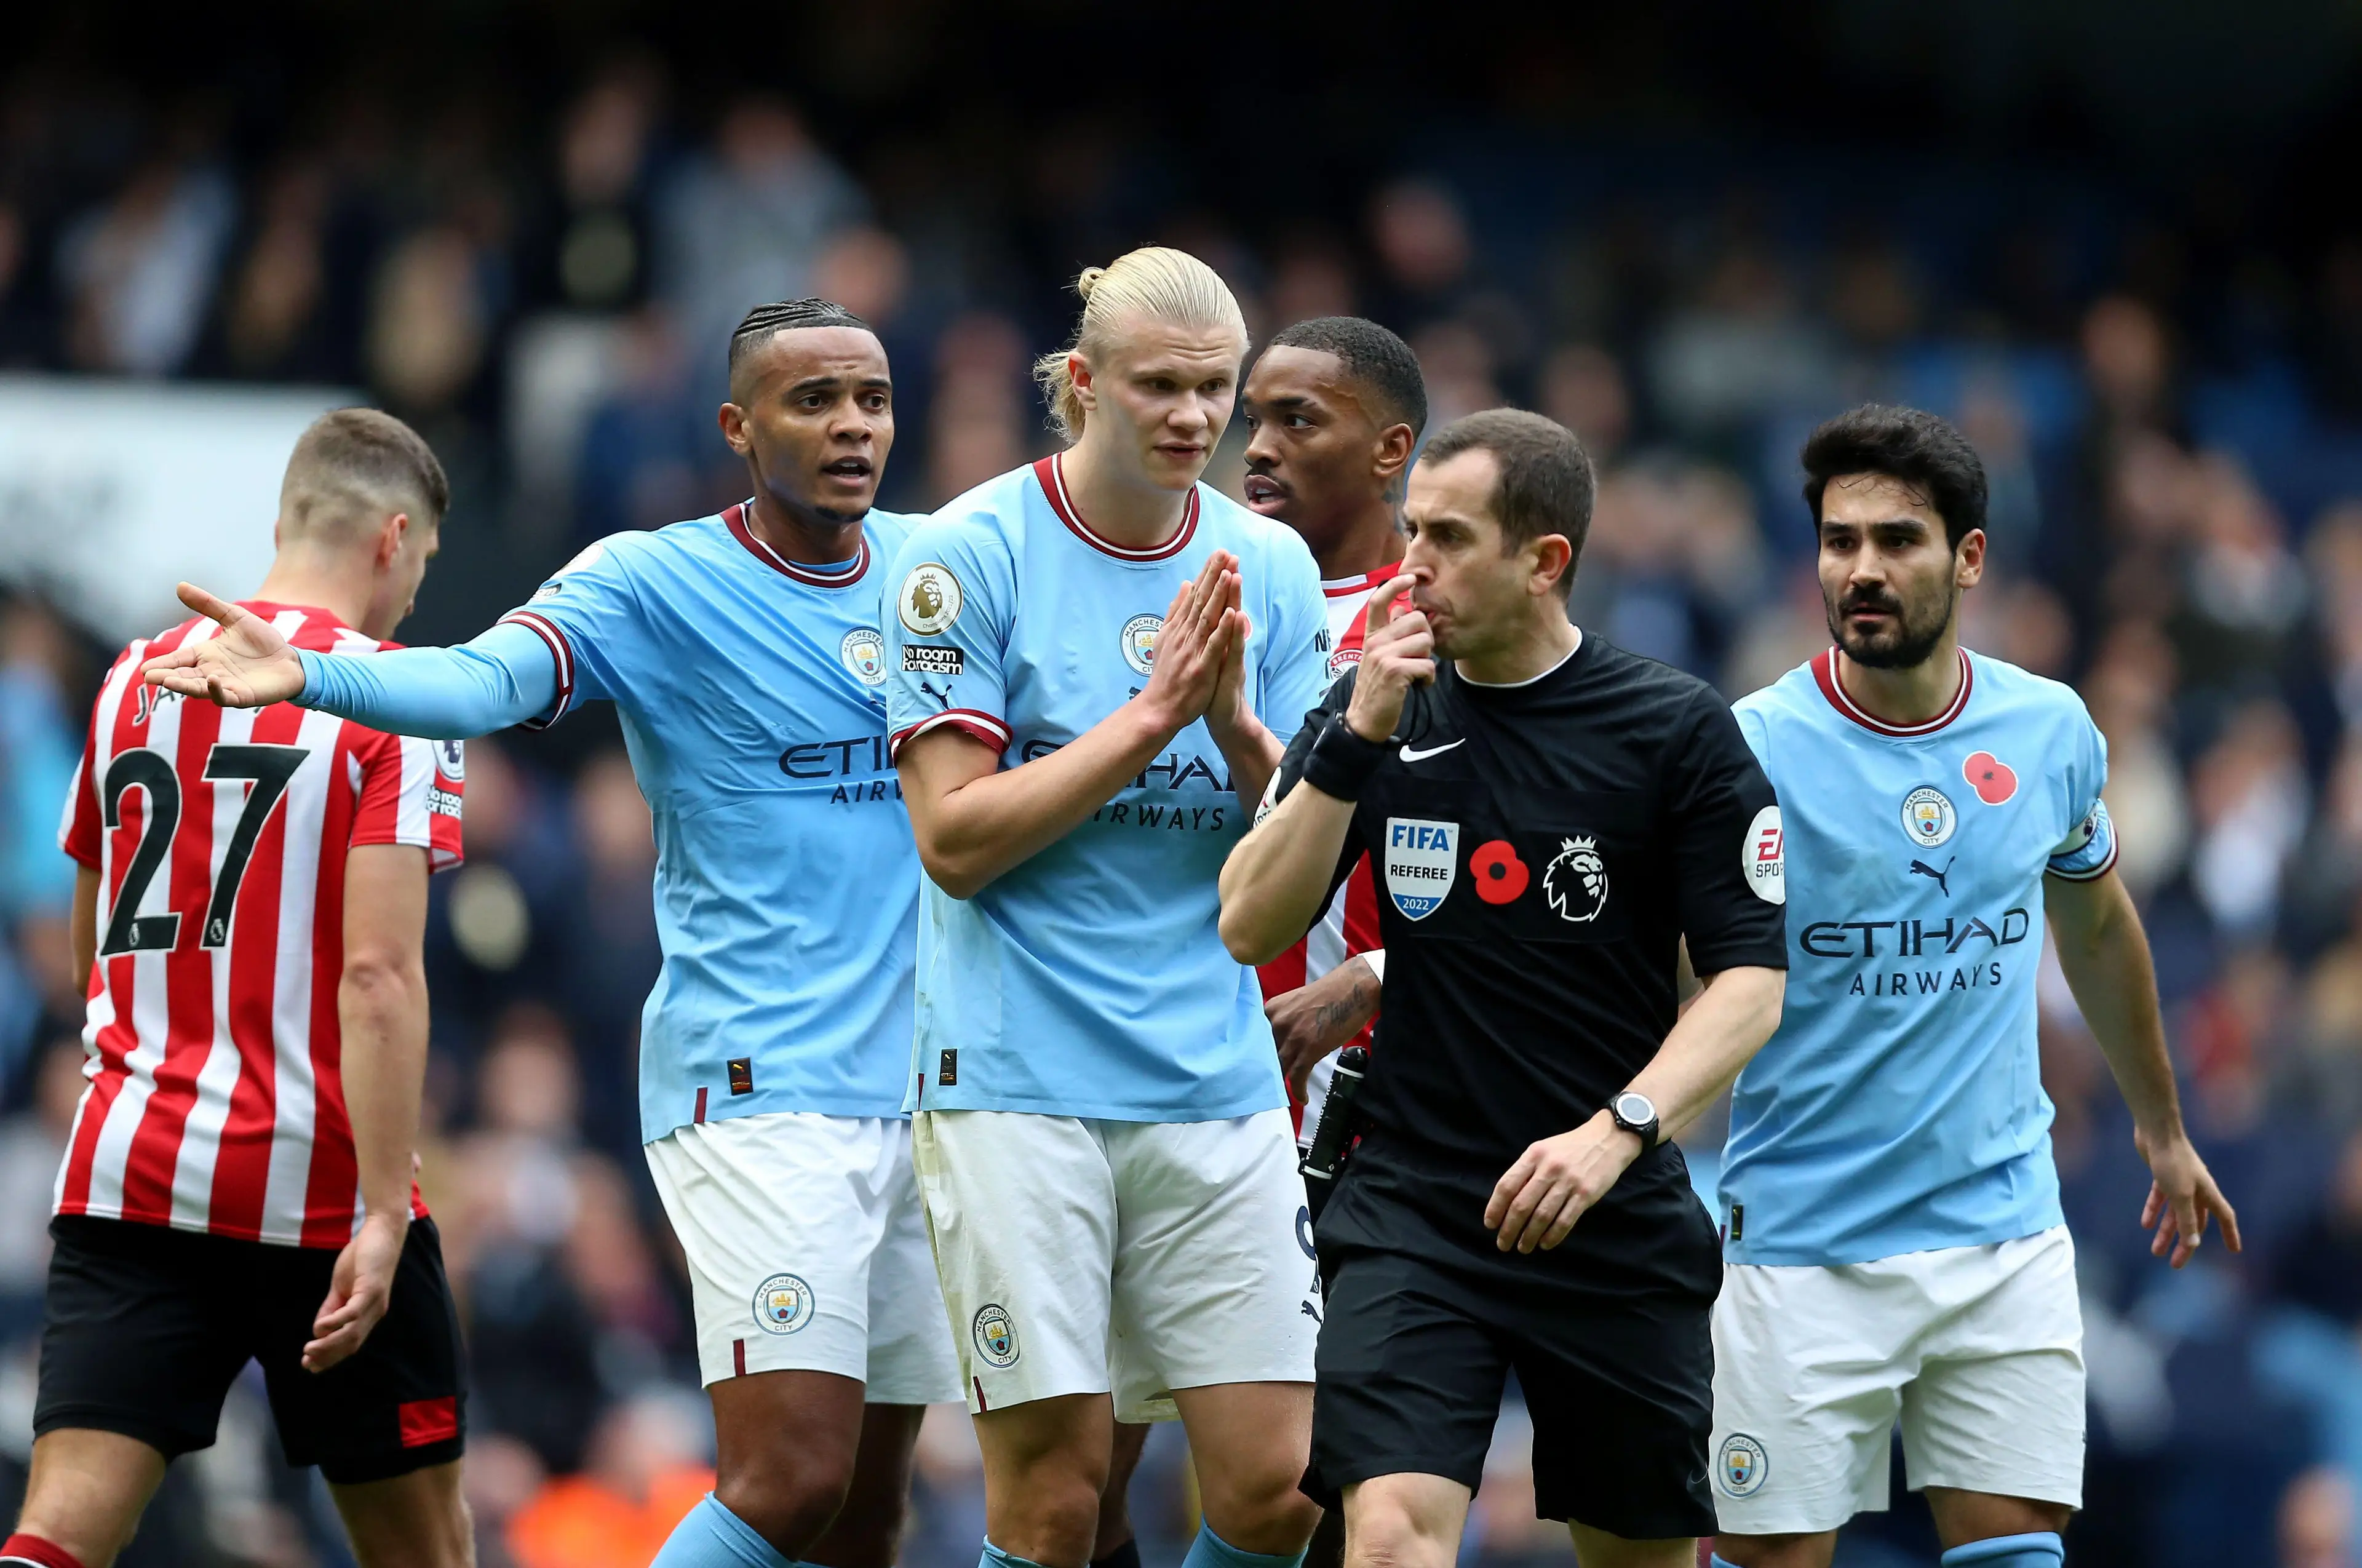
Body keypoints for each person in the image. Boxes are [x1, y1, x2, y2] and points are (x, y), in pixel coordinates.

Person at [138, 300, 961, 1568]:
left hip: (916, 1093)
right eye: (814, 401)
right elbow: (484, 678)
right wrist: (317, 674)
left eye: (873, 398)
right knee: (789, 1476)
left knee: (869, 1508)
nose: (853, 425)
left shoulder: (942, 569)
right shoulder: (654, 580)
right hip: (754, 1085)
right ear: (739, 428)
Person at [1219, 408, 1789, 1568]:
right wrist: (1353, 737)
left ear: (1546, 562)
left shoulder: (1675, 730)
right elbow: (1248, 920)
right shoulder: (1376, 704)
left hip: (1609, 1212)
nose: (1412, 563)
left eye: (1451, 538)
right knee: (1387, 1540)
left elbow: (1750, 983)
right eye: (1412, 528)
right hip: (1417, 1206)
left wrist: (1616, 1134)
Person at [1706, 405, 2241, 1568]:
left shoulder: (2050, 732)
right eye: (1840, 541)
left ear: (1969, 558)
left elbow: (2098, 928)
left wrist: (2161, 1126)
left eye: (1897, 541)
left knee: (2014, 1553)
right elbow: (1664, 962)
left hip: (2000, 1230)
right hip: (1803, 1239)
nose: (1863, 570)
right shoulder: (1744, 746)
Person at [883, 246, 1329, 1568]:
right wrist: (1150, 720)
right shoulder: (968, 554)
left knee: (1280, 1488)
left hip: (1212, 1072)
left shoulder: (1274, 567)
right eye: (1160, 386)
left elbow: (1298, 850)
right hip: (1018, 1079)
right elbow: (955, 841)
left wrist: (1243, 733)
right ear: (1082, 384)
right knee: (1057, 1497)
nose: (1195, 416)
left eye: (1216, 388)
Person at [14, 408, 471, 1568]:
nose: (414, 595)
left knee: (60, 1529)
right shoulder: (393, 697)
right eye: (420, 567)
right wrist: (380, 1211)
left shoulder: (131, 676)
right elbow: (377, 975)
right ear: (394, 539)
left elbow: (90, 927)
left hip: (136, 1165)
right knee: (422, 1550)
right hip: (316, 1187)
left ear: (285, 520)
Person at [1236, 316, 1427, 1151]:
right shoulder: (1211, 605)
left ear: (1391, 452)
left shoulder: (1431, 626)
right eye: (1254, 421)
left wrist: (1384, 975)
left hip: (1370, 1108)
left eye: (1298, 420)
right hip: (1201, 1099)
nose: (1259, 448)